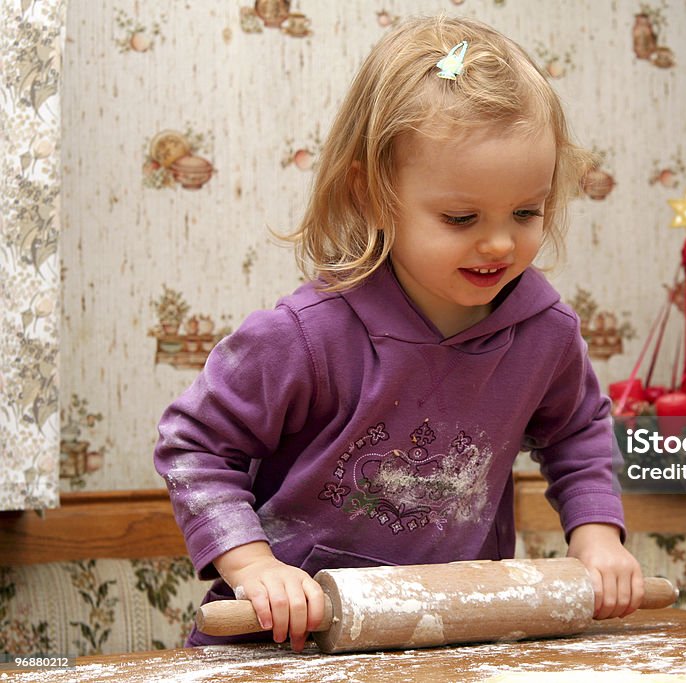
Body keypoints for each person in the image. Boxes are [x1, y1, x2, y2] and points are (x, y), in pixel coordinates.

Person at [154, 14, 644, 653]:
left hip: (452, 642)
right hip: (286, 646)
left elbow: (578, 434)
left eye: (528, 211)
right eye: (461, 216)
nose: (500, 241)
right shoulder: (304, 336)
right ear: (373, 192)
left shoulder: (545, 335)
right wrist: (255, 568)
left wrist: (597, 535)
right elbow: (195, 447)